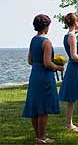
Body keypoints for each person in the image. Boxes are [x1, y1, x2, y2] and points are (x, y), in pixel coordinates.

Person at [22, 14, 64, 144]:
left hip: (35, 75)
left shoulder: (33, 40)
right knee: (43, 108)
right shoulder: (46, 42)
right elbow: (47, 63)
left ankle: (38, 137)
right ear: (46, 26)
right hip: (45, 77)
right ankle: (42, 137)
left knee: (36, 107)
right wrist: (58, 67)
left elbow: (30, 61)